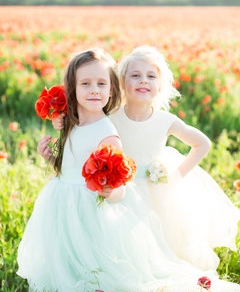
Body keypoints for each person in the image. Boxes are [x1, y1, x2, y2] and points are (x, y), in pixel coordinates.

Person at [32, 47, 240, 292]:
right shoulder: (96, 117)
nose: (94, 90)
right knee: (110, 246)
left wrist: (173, 176)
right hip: (89, 196)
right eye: (85, 84)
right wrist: (56, 132)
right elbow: (74, 151)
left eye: (101, 84)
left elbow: (117, 178)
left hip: (129, 190)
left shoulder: (118, 128)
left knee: (157, 236)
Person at [48, 45, 240, 273]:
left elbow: (203, 144)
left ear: (161, 85)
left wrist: (178, 174)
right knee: (129, 240)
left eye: (151, 76)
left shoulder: (165, 120)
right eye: (135, 76)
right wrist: (59, 120)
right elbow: (86, 126)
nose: (143, 81)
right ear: (120, 83)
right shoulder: (111, 116)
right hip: (123, 186)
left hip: (154, 185)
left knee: (160, 234)